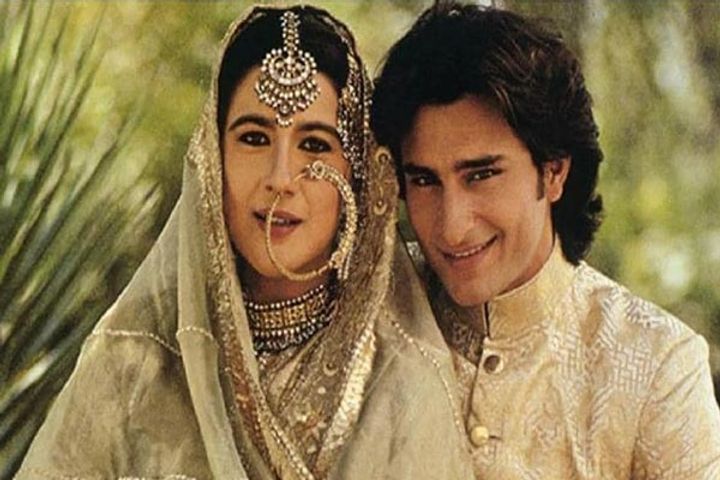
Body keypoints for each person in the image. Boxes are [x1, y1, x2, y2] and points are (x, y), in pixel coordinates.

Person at [18, 5, 476, 479]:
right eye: (254, 139)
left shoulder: (398, 382)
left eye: (315, 145)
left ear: (358, 174)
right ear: (213, 158)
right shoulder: (136, 360)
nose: (281, 178)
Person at [372, 2, 720, 478]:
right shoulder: (375, 306)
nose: (451, 227)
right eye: (425, 181)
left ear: (553, 171)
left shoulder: (657, 366)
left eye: (481, 175)